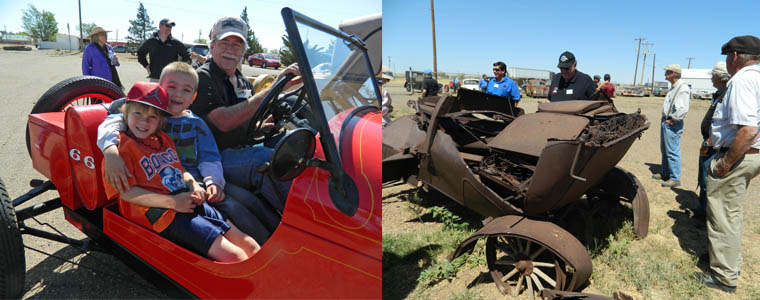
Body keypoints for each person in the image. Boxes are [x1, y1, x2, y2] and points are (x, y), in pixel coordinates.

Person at [97, 62, 276, 243]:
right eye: (172, 87)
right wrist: (111, 152)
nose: (177, 94)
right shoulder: (148, 116)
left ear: (193, 97)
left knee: (247, 200)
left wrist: (213, 182)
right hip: (162, 183)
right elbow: (112, 122)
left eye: (186, 90)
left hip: (196, 180)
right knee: (232, 206)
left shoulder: (196, 124)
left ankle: (271, 242)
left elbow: (209, 155)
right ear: (160, 89)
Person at [188, 16, 296, 203]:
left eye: (237, 45)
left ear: (243, 52)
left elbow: (245, 116)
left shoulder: (242, 81)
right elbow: (224, 122)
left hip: (242, 147)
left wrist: (261, 126)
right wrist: (275, 87)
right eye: (224, 43)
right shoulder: (202, 78)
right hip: (213, 158)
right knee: (268, 159)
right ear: (212, 46)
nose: (230, 50)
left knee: (296, 143)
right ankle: (297, 216)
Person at [701, 35, 760, 293]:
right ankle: (729, 263)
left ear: (734, 56)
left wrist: (724, 163)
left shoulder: (742, 80)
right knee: (732, 213)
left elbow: (747, 130)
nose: (726, 61)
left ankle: (724, 277)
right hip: (752, 156)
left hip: (738, 155)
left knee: (723, 215)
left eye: (727, 56)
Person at [693, 61, 730, 217]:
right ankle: (703, 209)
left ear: (719, 76)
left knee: (709, 179)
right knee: (703, 176)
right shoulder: (718, 93)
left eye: (712, 76)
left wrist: (709, 141)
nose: (711, 79)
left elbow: (725, 123)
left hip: (714, 144)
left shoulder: (726, 93)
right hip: (710, 141)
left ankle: (707, 213)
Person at [653, 64, 690, 187]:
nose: (665, 75)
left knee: (672, 150)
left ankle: (675, 178)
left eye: (667, 72)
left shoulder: (682, 88)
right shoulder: (674, 87)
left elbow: (682, 109)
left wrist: (673, 120)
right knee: (665, 150)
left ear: (673, 74)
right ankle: (665, 173)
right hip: (667, 122)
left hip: (672, 123)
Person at [137, 18, 190, 82]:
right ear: (160, 26)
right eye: (167, 26)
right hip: (155, 78)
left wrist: (178, 69)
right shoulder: (151, 41)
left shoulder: (175, 43)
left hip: (171, 79)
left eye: (171, 27)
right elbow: (140, 54)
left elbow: (187, 56)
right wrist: (146, 66)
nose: (169, 28)